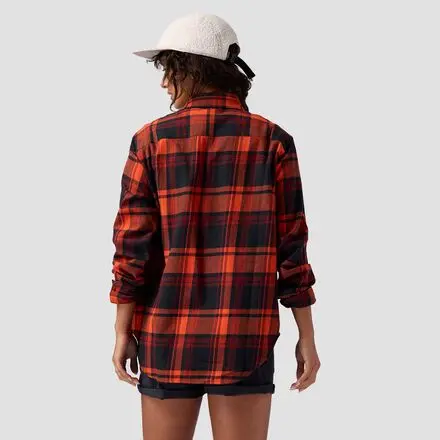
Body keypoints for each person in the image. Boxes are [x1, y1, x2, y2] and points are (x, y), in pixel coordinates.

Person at [109, 12, 320, 440]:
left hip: (165, 335)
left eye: (169, 69)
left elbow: (132, 250)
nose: (164, 83)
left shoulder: (150, 142)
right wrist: (307, 337)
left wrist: (121, 330)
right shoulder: (273, 142)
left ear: (192, 70)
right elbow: (292, 248)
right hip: (245, 335)